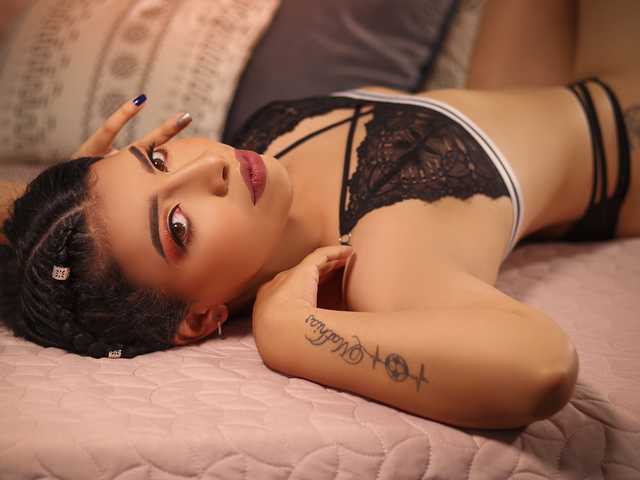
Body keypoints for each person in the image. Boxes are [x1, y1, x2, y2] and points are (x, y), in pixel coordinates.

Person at [0, 0, 637, 430]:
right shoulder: (378, 255)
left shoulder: (257, 169)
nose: (209, 168)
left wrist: (72, 195)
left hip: (533, 93)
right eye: (177, 227)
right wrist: (296, 335)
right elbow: (541, 369)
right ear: (197, 319)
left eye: (159, 159)